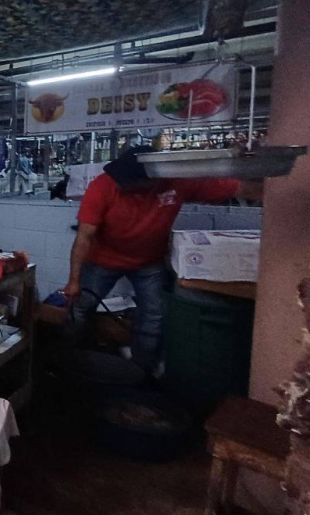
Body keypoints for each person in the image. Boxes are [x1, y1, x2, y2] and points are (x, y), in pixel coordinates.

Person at [63, 146, 257, 376]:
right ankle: (68, 360)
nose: (123, 185)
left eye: (130, 183)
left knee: (154, 316)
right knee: (79, 308)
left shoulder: (176, 183)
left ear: (151, 179)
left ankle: (141, 371)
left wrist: (271, 186)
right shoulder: (102, 186)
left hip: (148, 263)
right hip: (102, 260)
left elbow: (236, 188)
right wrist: (74, 281)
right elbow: (84, 236)